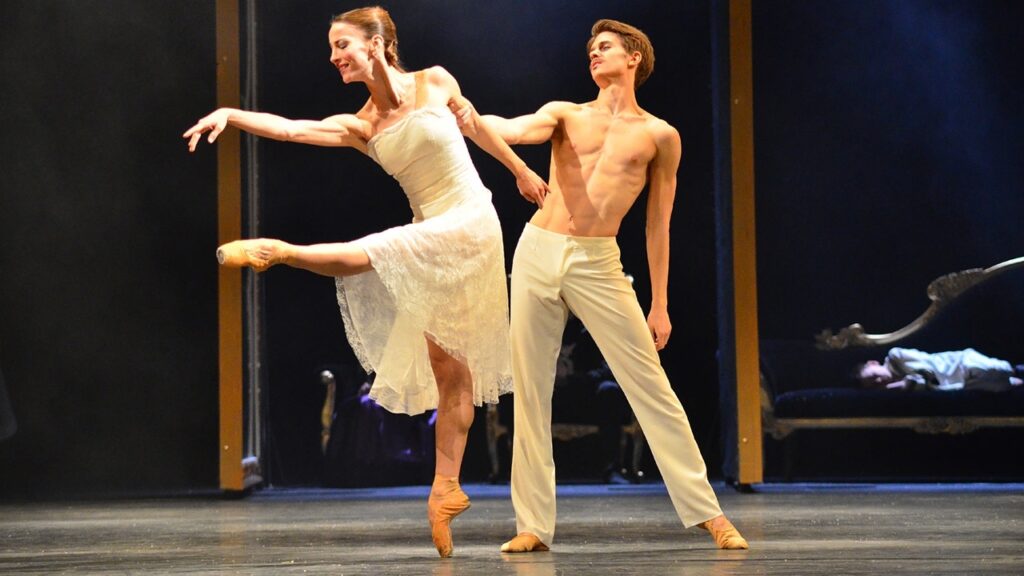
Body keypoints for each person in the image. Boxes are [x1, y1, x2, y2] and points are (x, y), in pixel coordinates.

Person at [183, 6, 548, 558]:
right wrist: (232, 113)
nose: (334, 57)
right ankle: (445, 489)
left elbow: (475, 127)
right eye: (332, 48)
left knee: (382, 250)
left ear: (376, 44)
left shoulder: (435, 81)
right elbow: (291, 128)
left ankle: (282, 252)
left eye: (342, 45)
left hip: (472, 219)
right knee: (451, 373)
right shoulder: (360, 126)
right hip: (431, 231)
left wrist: (521, 170)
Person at [451, 19, 748, 551]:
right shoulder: (565, 114)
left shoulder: (659, 135)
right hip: (539, 249)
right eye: (590, 49)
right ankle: (532, 526)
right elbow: (513, 128)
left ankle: (710, 514)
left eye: (604, 47)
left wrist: (660, 303)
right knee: (531, 389)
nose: (593, 54)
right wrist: (470, 118)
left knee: (650, 384)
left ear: (634, 57)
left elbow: (658, 224)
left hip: (598, 261)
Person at [856, 348, 1024, 391]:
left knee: (991, 369)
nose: (879, 380)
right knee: (983, 386)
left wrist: (908, 384)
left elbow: (927, 373)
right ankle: (1010, 381)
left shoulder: (895, 356)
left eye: (874, 375)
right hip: (958, 383)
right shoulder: (898, 388)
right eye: (874, 384)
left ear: (873, 363)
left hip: (956, 364)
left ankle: (1015, 372)